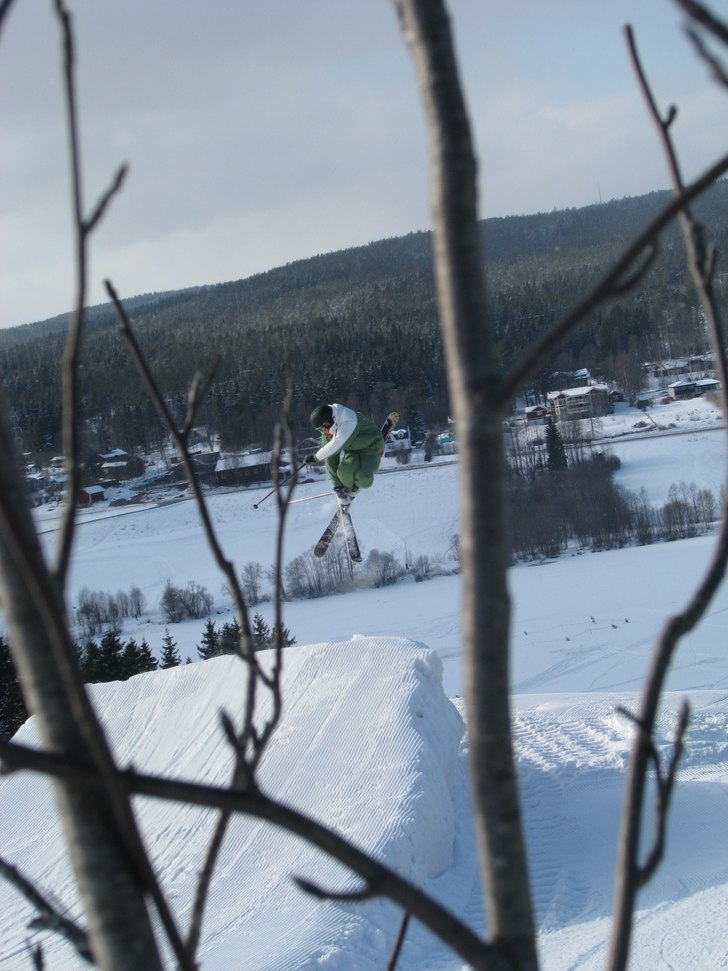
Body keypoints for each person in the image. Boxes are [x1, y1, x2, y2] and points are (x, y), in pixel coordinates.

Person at [306, 403, 385, 505]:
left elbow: (336, 444)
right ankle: (348, 493)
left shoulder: (349, 420)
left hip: (371, 450)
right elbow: (329, 457)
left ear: (327, 423)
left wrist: (315, 457)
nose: (322, 432)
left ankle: (355, 488)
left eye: (321, 429)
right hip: (353, 451)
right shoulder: (329, 431)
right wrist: (338, 486)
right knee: (343, 472)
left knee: (363, 479)